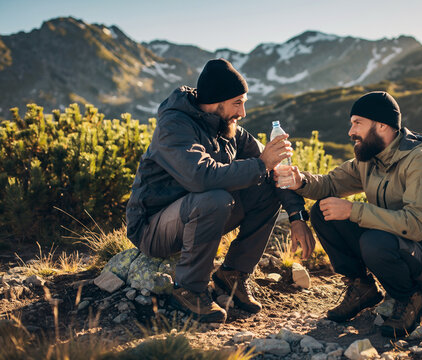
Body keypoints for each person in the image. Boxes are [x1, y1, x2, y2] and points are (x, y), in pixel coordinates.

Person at [126, 58, 316, 322]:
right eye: (238, 102)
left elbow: (273, 170)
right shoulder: (174, 127)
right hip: (152, 228)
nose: (243, 112)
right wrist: (262, 164)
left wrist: (297, 216)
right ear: (217, 102)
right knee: (215, 197)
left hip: (195, 216)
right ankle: (189, 289)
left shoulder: (230, 129)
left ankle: (233, 275)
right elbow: (200, 178)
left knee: (265, 185)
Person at [275, 91, 422, 337]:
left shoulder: (421, 162)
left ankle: (408, 300)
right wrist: (301, 181)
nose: (351, 131)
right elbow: (330, 184)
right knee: (323, 210)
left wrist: (353, 210)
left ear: (382, 125)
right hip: (395, 245)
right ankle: (362, 287)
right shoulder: (370, 157)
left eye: (357, 123)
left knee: (374, 241)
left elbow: (416, 226)